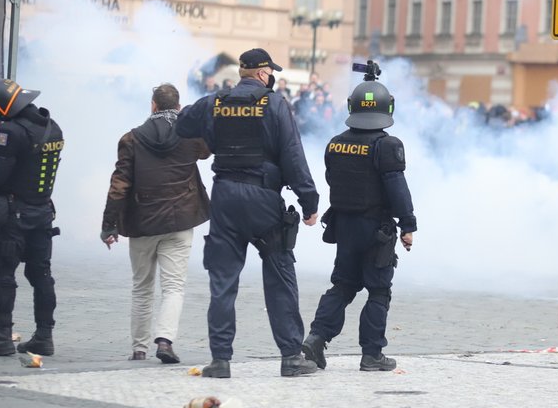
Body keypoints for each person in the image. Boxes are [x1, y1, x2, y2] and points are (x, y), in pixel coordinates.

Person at [175, 48, 320, 378]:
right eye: (272, 73)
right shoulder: (275, 104)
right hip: (263, 199)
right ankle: (290, 357)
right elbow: (293, 158)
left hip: (225, 196)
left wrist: (211, 135)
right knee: (280, 275)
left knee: (223, 280)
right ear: (264, 73)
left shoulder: (216, 101)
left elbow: (183, 124)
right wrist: (309, 203)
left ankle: (221, 360)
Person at [302, 65, 417, 372]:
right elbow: (397, 189)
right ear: (387, 108)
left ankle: (316, 338)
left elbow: (332, 179)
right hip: (376, 229)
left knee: (342, 285)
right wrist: (408, 225)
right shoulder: (387, 145)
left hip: (345, 226)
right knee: (378, 290)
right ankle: (372, 354)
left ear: (352, 107)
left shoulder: (336, 142)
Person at [100, 84, 211, 362]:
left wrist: (109, 224)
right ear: (177, 106)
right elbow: (209, 149)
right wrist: (191, 119)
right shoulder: (190, 136)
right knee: (173, 285)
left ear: (152, 106)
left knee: (142, 285)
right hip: (180, 221)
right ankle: (164, 341)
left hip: (143, 222)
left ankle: (139, 348)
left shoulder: (131, 139)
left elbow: (119, 184)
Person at [0, 79, 64, 357]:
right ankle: (44, 336)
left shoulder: (10, 131)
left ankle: (2, 336)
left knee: (5, 273)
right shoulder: (52, 127)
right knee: (41, 274)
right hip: (43, 213)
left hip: (14, 214)